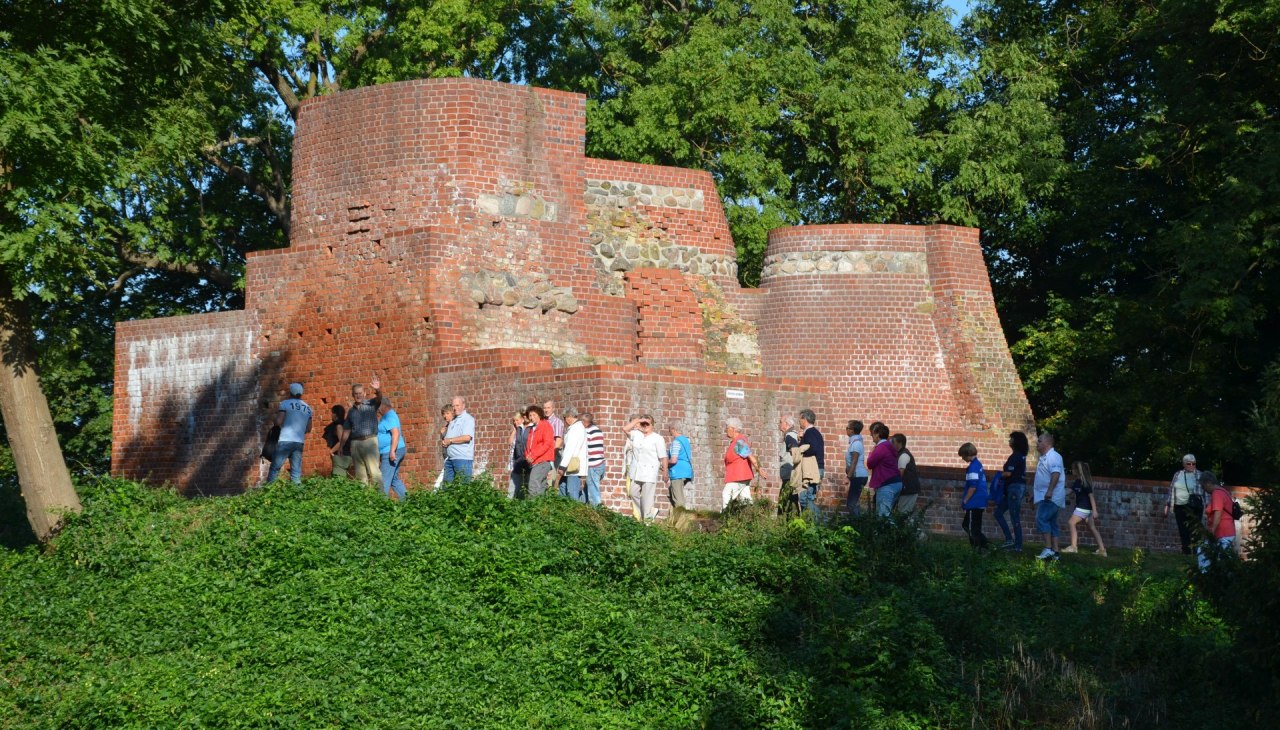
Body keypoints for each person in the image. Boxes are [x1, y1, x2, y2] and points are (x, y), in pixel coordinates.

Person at [624, 414, 668, 520]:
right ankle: (647, 513)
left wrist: (665, 472)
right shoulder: (636, 434)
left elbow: (663, 456)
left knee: (647, 499)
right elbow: (625, 429)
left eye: (647, 423)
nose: (645, 425)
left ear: (652, 425)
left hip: (649, 472)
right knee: (633, 493)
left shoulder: (658, 438)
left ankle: (647, 523)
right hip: (636, 471)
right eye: (643, 423)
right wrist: (638, 420)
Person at [340, 378, 383, 486]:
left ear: (364, 393)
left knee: (374, 473)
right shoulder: (351, 411)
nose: (358, 395)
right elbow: (346, 430)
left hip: (369, 441)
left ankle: (382, 499)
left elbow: (379, 398)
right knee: (360, 477)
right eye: (355, 394)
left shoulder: (371, 404)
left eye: (360, 393)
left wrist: (378, 390)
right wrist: (341, 446)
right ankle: (364, 501)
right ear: (352, 395)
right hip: (355, 444)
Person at [267, 382, 313, 484]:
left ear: (290, 392)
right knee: (296, 473)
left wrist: (274, 421)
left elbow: (278, 422)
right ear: (301, 393)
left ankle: (268, 492)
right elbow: (309, 428)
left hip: (285, 440)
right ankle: (298, 496)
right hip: (299, 442)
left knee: (275, 469)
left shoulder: (285, 404)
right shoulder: (308, 408)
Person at [993, 431, 1030, 552]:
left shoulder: (1015, 456)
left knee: (1014, 516)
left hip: (1015, 488)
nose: (1009, 441)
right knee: (998, 512)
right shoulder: (1019, 456)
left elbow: (1008, 473)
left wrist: (998, 475)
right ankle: (1009, 539)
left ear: (1015, 441)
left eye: (1011, 439)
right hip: (1013, 489)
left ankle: (1018, 546)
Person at [1033, 431, 1066, 561]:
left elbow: (1056, 474)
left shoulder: (1054, 456)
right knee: (1052, 523)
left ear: (1047, 442)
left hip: (1050, 497)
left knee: (1041, 518)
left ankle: (1048, 549)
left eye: (1040, 441)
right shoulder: (1045, 457)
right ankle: (1055, 552)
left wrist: (1050, 491)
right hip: (1045, 496)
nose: (1037, 443)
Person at [1062, 461, 1107, 556]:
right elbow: (1070, 491)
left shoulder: (1085, 483)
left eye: (1073, 469)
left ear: (1077, 470)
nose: (1072, 470)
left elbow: (1091, 497)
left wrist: (1095, 511)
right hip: (1086, 509)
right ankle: (1102, 550)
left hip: (1083, 508)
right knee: (1092, 528)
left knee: (1071, 523)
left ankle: (1073, 547)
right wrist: (1059, 491)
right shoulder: (1077, 482)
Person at [1197, 471, 1237, 572]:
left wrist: (1212, 530)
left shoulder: (1217, 493)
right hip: (1226, 531)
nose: (1203, 489)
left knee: (1204, 552)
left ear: (1208, 483)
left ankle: (1206, 576)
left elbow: (1218, 513)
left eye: (1203, 486)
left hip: (1222, 532)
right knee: (1220, 557)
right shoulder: (1223, 491)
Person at [1164, 454, 1203, 555]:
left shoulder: (1200, 475)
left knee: (1194, 530)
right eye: (1188, 463)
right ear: (1184, 464)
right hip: (1179, 506)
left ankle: (1195, 552)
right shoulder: (1178, 474)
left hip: (1194, 507)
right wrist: (1167, 504)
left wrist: (1207, 506)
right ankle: (1186, 552)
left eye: (1193, 463)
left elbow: (1205, 493)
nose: (1191, 465)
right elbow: (1171, 489)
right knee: (1182, 530)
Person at [722, 417, 761, 508]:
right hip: (741, 476)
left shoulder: (739, 442)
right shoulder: (736, 441)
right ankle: (750, 518)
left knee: (726, 494)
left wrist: (759, 469)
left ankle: (725, 517)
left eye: (727, 428)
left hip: (738, 476)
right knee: (745, 500)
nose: (726, 430)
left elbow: (750, 456)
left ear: (733, 429)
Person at [865, 422, 901, 517]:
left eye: (872, 433)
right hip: (894, 482)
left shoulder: (881, 448)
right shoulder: (889, 446)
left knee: (883, 516)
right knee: (886, 515)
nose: (871, 436)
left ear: (877, 434)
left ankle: (906, 532)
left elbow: (870, 463)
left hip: (886, 484)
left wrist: (871, 452)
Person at [959, 442, 989, 549]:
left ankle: (980, 548)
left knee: (971, 528)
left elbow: (973, 487)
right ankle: (983, 547)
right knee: (972, 526)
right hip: (979, 501)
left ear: (967, 454)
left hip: (974, 502)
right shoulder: (978, 464)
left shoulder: (973, 467)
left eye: (963, 456)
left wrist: (965, 500)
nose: (962, 458)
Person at [377, 398, 408, 501]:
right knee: (394, 479)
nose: (377, 409)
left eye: (378, 406)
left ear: (383, 406)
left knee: (383, 480)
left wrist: (392, 451)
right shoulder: (388, 416)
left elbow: (395, 433)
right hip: (395, 450)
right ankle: (407, 501)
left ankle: (382, 507)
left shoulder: (389, 416)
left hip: (391, 451)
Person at [796, 409, 825, 517]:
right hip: (815, 469)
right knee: (805, 498)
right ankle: (808, 523)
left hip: (813, 470)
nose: (799, 422)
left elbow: (813, 449)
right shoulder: (813, 433)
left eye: (800, 419)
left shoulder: (810, 432)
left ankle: (819, 522)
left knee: (807, 499)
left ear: (804, 419)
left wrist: (800, 449)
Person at [557, 406, 589, 502]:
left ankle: (575, 512)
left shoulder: (575, 429)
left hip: (573, 466)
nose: (565, 421)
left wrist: (562, 466)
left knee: (572, 492)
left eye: (564, 418)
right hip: (571, 465)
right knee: (563, 488)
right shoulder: (577, 427)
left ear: (569, 417)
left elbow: (570, 449)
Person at [440, 395, 475, 483]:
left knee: (465, 487)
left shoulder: (468, 419)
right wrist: (444, 439)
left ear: (463, 405)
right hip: (450, 459)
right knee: (447, 488)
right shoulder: (453, 420)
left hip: (462, 458)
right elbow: (448, 437)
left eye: (457, 405)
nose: (455, 408)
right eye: (453, 406)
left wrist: (450, 440)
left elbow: (467, 437)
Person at [524, 405, 556, 497]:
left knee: (533, 484)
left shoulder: (545, 425)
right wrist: (527, 456)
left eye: (534, 415)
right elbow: (528, 445)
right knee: (541, 487)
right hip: (534, 461)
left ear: (539, 415)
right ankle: (541, 508)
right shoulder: (532, 428)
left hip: (543, 460)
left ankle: (533, 508)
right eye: (530, 415)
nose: (531, 417)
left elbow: (547, 444)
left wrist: (533, 456)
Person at [890, 434, 921, 514]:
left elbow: (900, 474)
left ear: (899, 443)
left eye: (893, 442)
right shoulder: (900, 454)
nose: (891, 444)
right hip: (907, 490)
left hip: (908, 490)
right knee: (903, 513)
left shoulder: (903, 455)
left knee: (903, 514)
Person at [667, 421, 694, 510]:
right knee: (675, 495)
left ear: (674, 429)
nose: (669, 432)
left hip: (678, 472)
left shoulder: (676, 442)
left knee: (678, 499)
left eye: (670, 429)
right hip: (686, 471)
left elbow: (674, 460)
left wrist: (664, 464)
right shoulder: (686, 440)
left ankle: (682, 520)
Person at [778, 415, 801, 516]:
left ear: (786, 424)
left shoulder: (790, 435)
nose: (779, 424)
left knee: (785, 500)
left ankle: (783, 522)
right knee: (792, 499)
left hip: (789, 473)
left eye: (780, 422)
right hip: (791, 472)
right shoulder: (793, 434)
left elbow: (794, 449)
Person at [582, 412, 606, 507]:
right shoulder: (598, 430)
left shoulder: (588, 432)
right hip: (600, 464)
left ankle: (598, 513)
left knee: (594, 494)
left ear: (585, 422)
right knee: (587, 490)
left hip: (593, 465)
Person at [845, 420, 869, 515]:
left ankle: (857, 525)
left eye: (847, 428)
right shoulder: (855, 442)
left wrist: (848, 477)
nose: (846, 430)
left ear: (852, 430)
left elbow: (854, 461)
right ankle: (857, 522)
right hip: (857, 476)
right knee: (853, 503)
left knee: (851, 504)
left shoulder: (856, 444)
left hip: (858, 476)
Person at [322, 404, 351, 477]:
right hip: (345, 454)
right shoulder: (346, 424)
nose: (331, 415)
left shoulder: (339, 426)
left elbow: (342, 441)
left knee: (339, 477)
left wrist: (331, 451)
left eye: (332, 413)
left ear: (335, 414)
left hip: (342, 455)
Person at [508, 410, 531, 499]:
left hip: (523, 459)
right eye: (514, 421)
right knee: (514, 481)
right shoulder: (517, 430)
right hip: (515, 459)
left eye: (517, 420)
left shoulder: (525, 430)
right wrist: (514, 430)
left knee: (524, 482)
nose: (515, 422)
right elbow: (510, 442)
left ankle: (520, 499)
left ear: (522, 419)